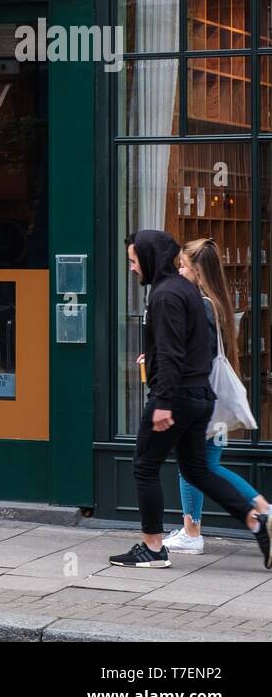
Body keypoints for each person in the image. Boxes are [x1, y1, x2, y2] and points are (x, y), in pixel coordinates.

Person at [114, 230, 271, 568]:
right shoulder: (187, 291)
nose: (131, 267)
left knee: (144, 466)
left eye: (134, 260)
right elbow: (190, 349)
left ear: (149, 258)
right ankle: (257, 521)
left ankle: (153, 549)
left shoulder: (166, 295)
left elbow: (172, 353)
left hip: (177, 396)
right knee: (198, 470)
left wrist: (163, 402)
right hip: (200, 396)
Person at [162, 238, 269, 554]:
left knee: (202, 467)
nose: (179, 271)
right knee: (200, 466)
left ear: (197, 270)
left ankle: (262, 511)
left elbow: (201, 357)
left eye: (183, 266)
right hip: (214, 402)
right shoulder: (216, 302)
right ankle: (191, 530)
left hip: (202, 400)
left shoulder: (203, 305)